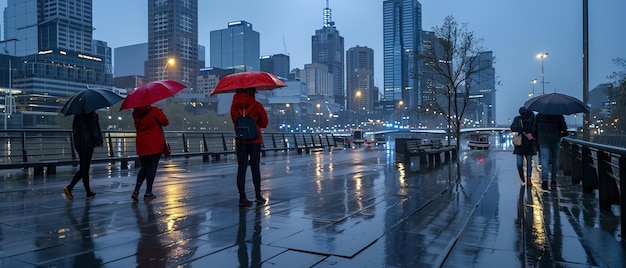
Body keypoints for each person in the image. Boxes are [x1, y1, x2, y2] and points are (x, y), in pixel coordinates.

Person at [230, 88, 268, 207]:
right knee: (255, 168)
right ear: (252, 92)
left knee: (241, 169)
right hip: (255, 141)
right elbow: (264, 124)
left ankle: (242, 197)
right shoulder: (257, 106)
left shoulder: (234, 106)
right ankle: (258, 195)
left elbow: (234, 121)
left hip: (240, 140)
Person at [131, 105, 169, 201]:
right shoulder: (154, 111)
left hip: (141, 144)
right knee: (152, 168)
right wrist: (162, 113)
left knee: (144, 167)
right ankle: (148, 192)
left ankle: (136, 191)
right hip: (154, 144)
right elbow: (165, 122)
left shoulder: (136, 114)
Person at [63, 112, 103, 200]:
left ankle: (88, 192)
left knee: (84, 168)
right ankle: (69, 187)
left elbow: (75, 129)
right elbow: (94, 130)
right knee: (84, 168)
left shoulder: (77, 115)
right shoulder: (91, 115)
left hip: (79, 142)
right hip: (87, 143)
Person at [533, 113, 567, 190]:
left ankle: (544, 179)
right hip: (555, 140)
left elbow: (534, 129)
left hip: (543, 140)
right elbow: (564, 128)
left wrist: (536, 137)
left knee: (545, 160)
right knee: (555, 160)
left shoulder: (539, 115)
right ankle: (553, 181)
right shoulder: (558, 115)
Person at [510, 107, 537, 186]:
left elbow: (535, 130)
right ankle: (522, 175)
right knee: (521, 164)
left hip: (528, 143)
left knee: (528, 163)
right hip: (522, 143)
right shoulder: (518, 119)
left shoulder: (532, 119)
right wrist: (523, 129)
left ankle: (529, 179)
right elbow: (512, 128)